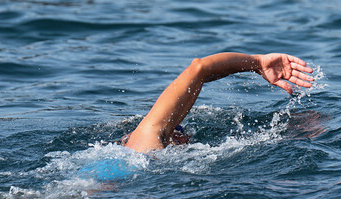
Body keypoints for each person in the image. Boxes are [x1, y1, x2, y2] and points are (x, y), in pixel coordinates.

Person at [123, 53, 314, 153]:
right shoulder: (144, 138)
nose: (187, 137)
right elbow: (199, 68)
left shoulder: (137, 152)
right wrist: (256, 62)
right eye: (178, 130)